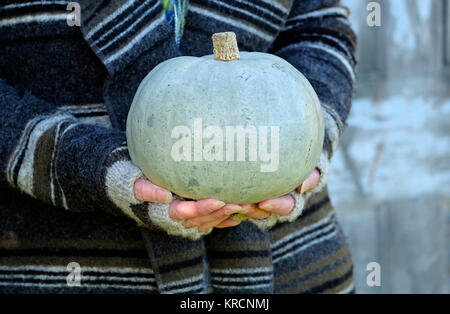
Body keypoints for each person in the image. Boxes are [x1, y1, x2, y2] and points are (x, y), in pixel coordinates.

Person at [0, 0, 356, 293]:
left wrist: (310, 134)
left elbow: (320, 27)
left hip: (292, 265)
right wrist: (84, 162)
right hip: (75, 267)